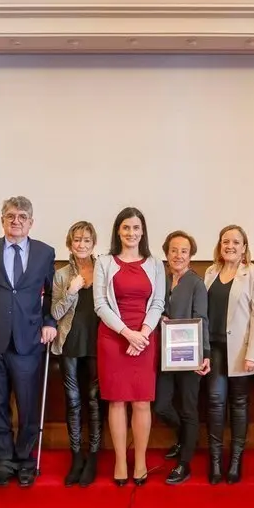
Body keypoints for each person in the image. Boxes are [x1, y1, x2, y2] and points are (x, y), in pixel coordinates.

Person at [0, 196, 57, 488]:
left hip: (29, 340)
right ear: (2, 219)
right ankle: (4, 460)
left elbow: (52, 294)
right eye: (10, 216)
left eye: (22, 216)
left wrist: (49, 322)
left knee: (28, 405)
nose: (16, 221)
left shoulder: (45, 252)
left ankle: (26, 460)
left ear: (31, 222)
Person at [94, 207, 165, 486]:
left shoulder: (155, 263)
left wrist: (143, 333)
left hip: (145, 337)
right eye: (126, 228)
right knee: (117, 400)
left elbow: (158, 302)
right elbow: (100, 304)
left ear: (143, 231)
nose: (131, 233)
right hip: (113, 337)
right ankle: (121, 461)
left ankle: (141, 461)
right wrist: (127, 334)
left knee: (141, 401)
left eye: (136, 228)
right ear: (118, 231)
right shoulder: (104, 262)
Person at [203, 224, 254, 484]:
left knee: (239, 405)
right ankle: (216, 462)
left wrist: (253, 352)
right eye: (225, 241)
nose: (230, 246)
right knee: (215, 401)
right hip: (214, 348)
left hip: (242, 351)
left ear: (244, 247)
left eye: (235, 242)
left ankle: (236, 462)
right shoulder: (210, 272)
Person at [153, 230, 210, 486]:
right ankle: (186, 437)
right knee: (161, 406)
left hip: (190, 355)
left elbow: (202, 319)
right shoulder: (161, 280)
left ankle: (184, 463)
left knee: (189, 409)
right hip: (165, 355)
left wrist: (205, 354)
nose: (178, 255)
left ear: (191, 255)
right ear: (166, 253)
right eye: (174, 250)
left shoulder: (196, 283)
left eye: (183, 251)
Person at [51, 221, 103, 487]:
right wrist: (71, 291)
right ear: (70, 243)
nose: (81, 245)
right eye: (77, 240)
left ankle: (93, 457)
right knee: (72, 401)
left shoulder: (104, 270)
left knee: (94, 400)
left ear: (94, 243)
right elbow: (55, 313)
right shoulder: (61, 275)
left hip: (97, 343)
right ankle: (76, 456)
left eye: (86, 240)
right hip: (69, 343)